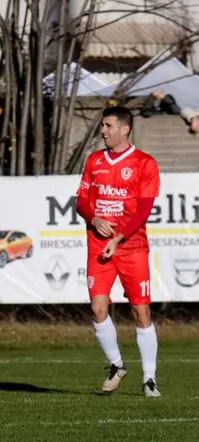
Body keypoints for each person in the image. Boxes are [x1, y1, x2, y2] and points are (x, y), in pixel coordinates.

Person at [75, 106, 161, 397]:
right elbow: (82, 201)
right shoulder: (94, 160)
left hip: (132, 246)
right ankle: (116, 365)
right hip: (98, 245)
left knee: (141, 310)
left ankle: (149, 379)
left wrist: (119, 237)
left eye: (109, 126)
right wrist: (94, 218)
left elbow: (144, 211)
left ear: (125, 129)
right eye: (102, 126)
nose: (103, 131)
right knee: (98, 309)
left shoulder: (144, 163)